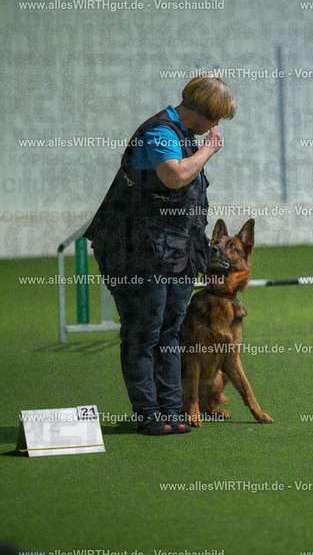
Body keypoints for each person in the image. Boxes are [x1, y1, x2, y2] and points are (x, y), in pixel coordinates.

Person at [84, 76, 236, 435]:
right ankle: (148, 414)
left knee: (169, 333)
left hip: (175, 251)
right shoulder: (160, 132)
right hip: (135, 250)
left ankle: (170, 410)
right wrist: (208, 150)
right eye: (216, 118)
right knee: (144, 332)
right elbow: (174, 176)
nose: (215, 127)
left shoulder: (184, 135)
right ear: (204, 112)